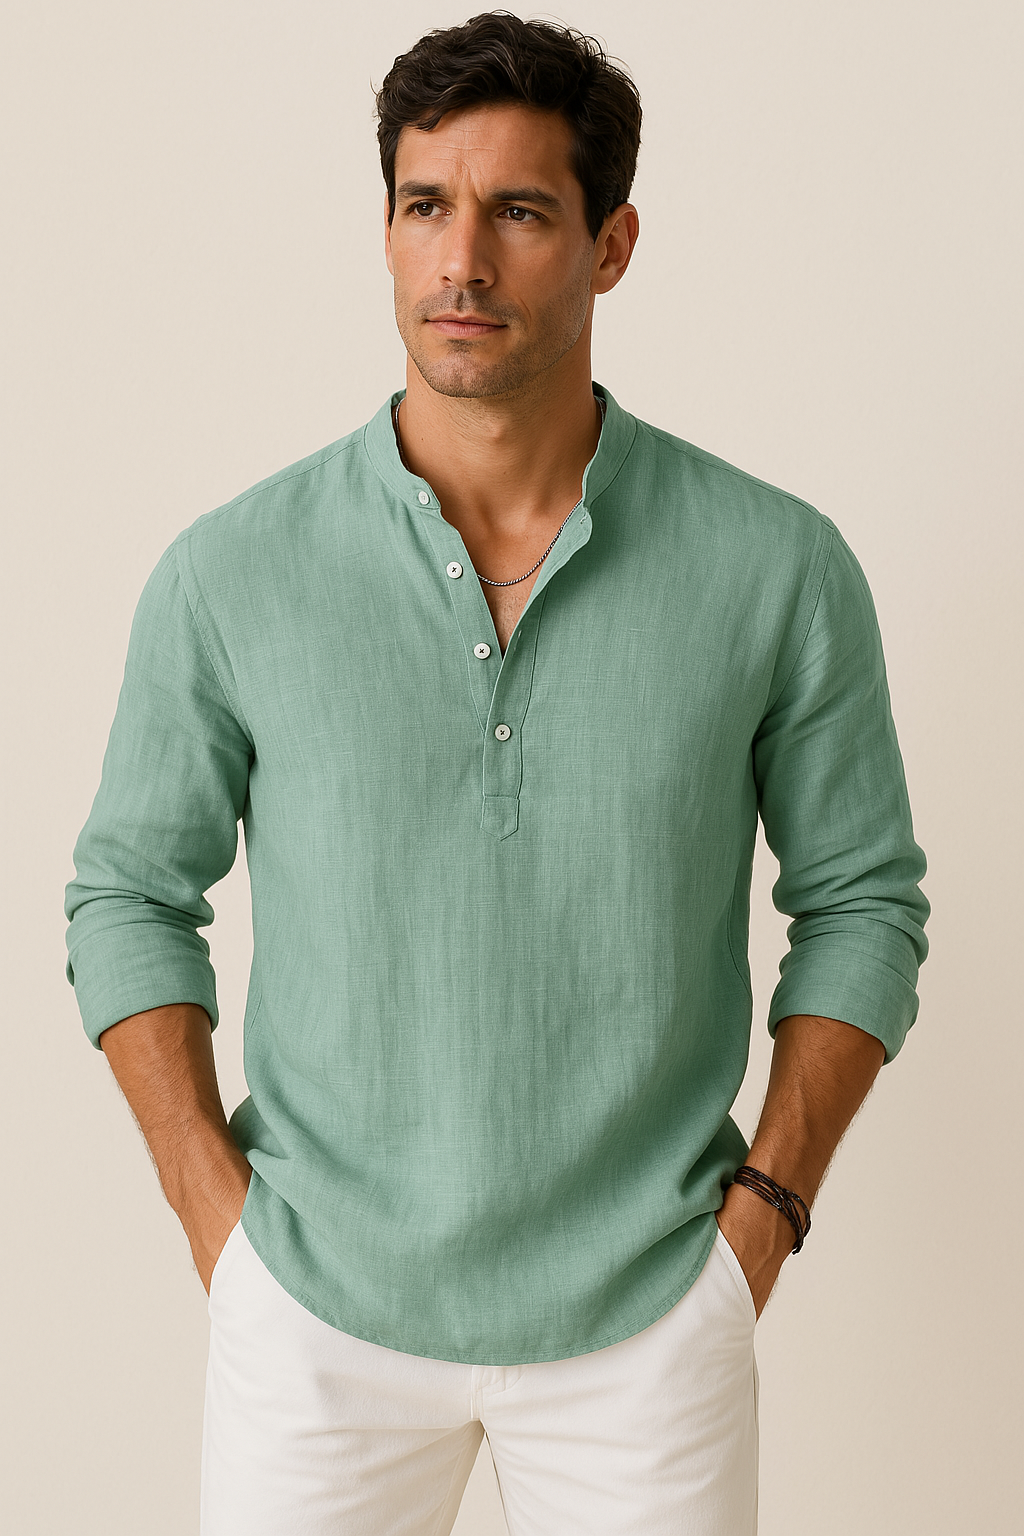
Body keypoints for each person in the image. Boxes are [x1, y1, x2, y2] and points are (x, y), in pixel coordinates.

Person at [64, 12, 929, 1535]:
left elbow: (863, 903)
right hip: (314, 1319)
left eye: (520, 211)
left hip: (651, 1318)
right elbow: (128, 892)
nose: (461, 261)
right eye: (425, 207)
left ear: (612, 245)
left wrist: (763, 1224)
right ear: (388, 231)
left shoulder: (777, 567)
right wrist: (219, 1220)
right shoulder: (232, 572)